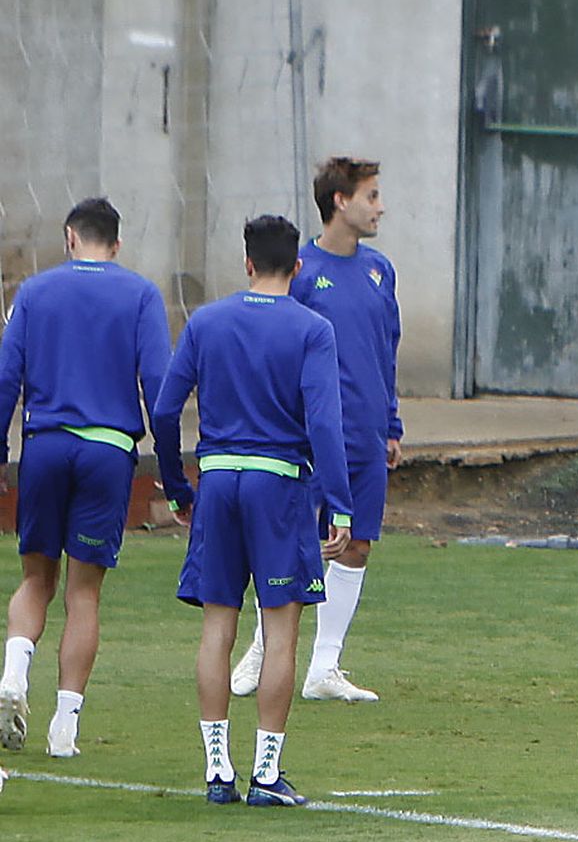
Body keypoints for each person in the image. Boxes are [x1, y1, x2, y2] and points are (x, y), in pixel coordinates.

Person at [152, 215, 353, 806]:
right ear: (296, 268)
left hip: (216, 482)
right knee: (281, 629)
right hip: (278, 486)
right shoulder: (312, 330)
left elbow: (165, 411)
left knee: (218, 626)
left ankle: (218, 770)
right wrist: (338, 504)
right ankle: (266, 773)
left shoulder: (206, 321)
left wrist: (175, 484)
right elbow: (324, 423)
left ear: (245, 264)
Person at [0, 198, 188, 758]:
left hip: (45, 444)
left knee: (37, 578)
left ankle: (12, 677)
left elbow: (6, 379)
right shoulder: (141, 294)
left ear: (69, 238)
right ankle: (65, 728)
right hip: (108, 451)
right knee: (84, 594)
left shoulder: (33, 293)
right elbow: (161, 390)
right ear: (118, 244)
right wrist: (174, 479)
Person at [230, 157, 402, 703]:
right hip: (306, 437)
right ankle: (261, 647)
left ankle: (324, 667)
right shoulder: (300, 270)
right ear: (339, 202)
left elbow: (386, 351)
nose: (380, 207)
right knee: (296, 545)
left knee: (357, 544)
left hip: (367, 434)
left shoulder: (380, 270)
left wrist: (391, 422)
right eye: (371, 196)